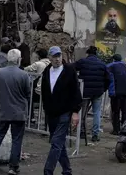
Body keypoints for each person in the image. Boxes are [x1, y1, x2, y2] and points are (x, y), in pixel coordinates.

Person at [41, 46, 82, 175]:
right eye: (54, 56)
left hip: (65, 112)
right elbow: (45, 92)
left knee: (56, 143)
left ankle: (48, 171)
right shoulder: (46, 71)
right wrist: (46, 110)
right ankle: (67, 170)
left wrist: (75, 112)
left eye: (59, 56)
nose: (57, 59)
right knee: (59, 144)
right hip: (51, 113)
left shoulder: (69, 70)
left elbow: (76, 92)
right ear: (50, 58)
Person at [74, 46, 109, 142]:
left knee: (82, 112)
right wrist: (103, 89)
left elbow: (71, 68)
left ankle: (81, 132)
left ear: (87, 54)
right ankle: (95, 134)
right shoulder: (102, 64)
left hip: (84, 92)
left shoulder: (82, 62)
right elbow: (108, 79)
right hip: (98, 93)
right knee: (97, 113)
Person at [106, 54, 126, 135]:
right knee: (125, 112)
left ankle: (116, 130)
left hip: (116, 93)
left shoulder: (110, 66)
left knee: (115, 112)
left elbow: (106, 77)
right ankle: (125, 130)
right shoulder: (125, 66)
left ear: (113, 59)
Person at [24, 48, 51, 121]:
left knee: (28, 97)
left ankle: (31, 116)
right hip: (48, 89)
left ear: (39, 56)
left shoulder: (38, 64)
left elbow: (25, 69)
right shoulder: (50, 63)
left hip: (39, 89)